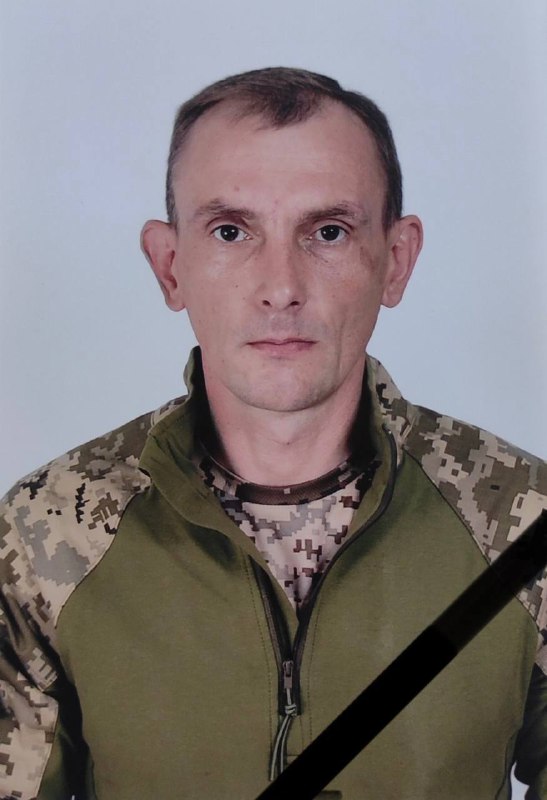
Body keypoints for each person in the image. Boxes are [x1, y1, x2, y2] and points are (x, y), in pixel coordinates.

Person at [0, 67, 546, 800]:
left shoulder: (521, 515)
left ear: (395, 260)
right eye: (231, 231)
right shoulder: (44, 533)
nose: (281, 286)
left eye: (328, 232)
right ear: (170, 266)